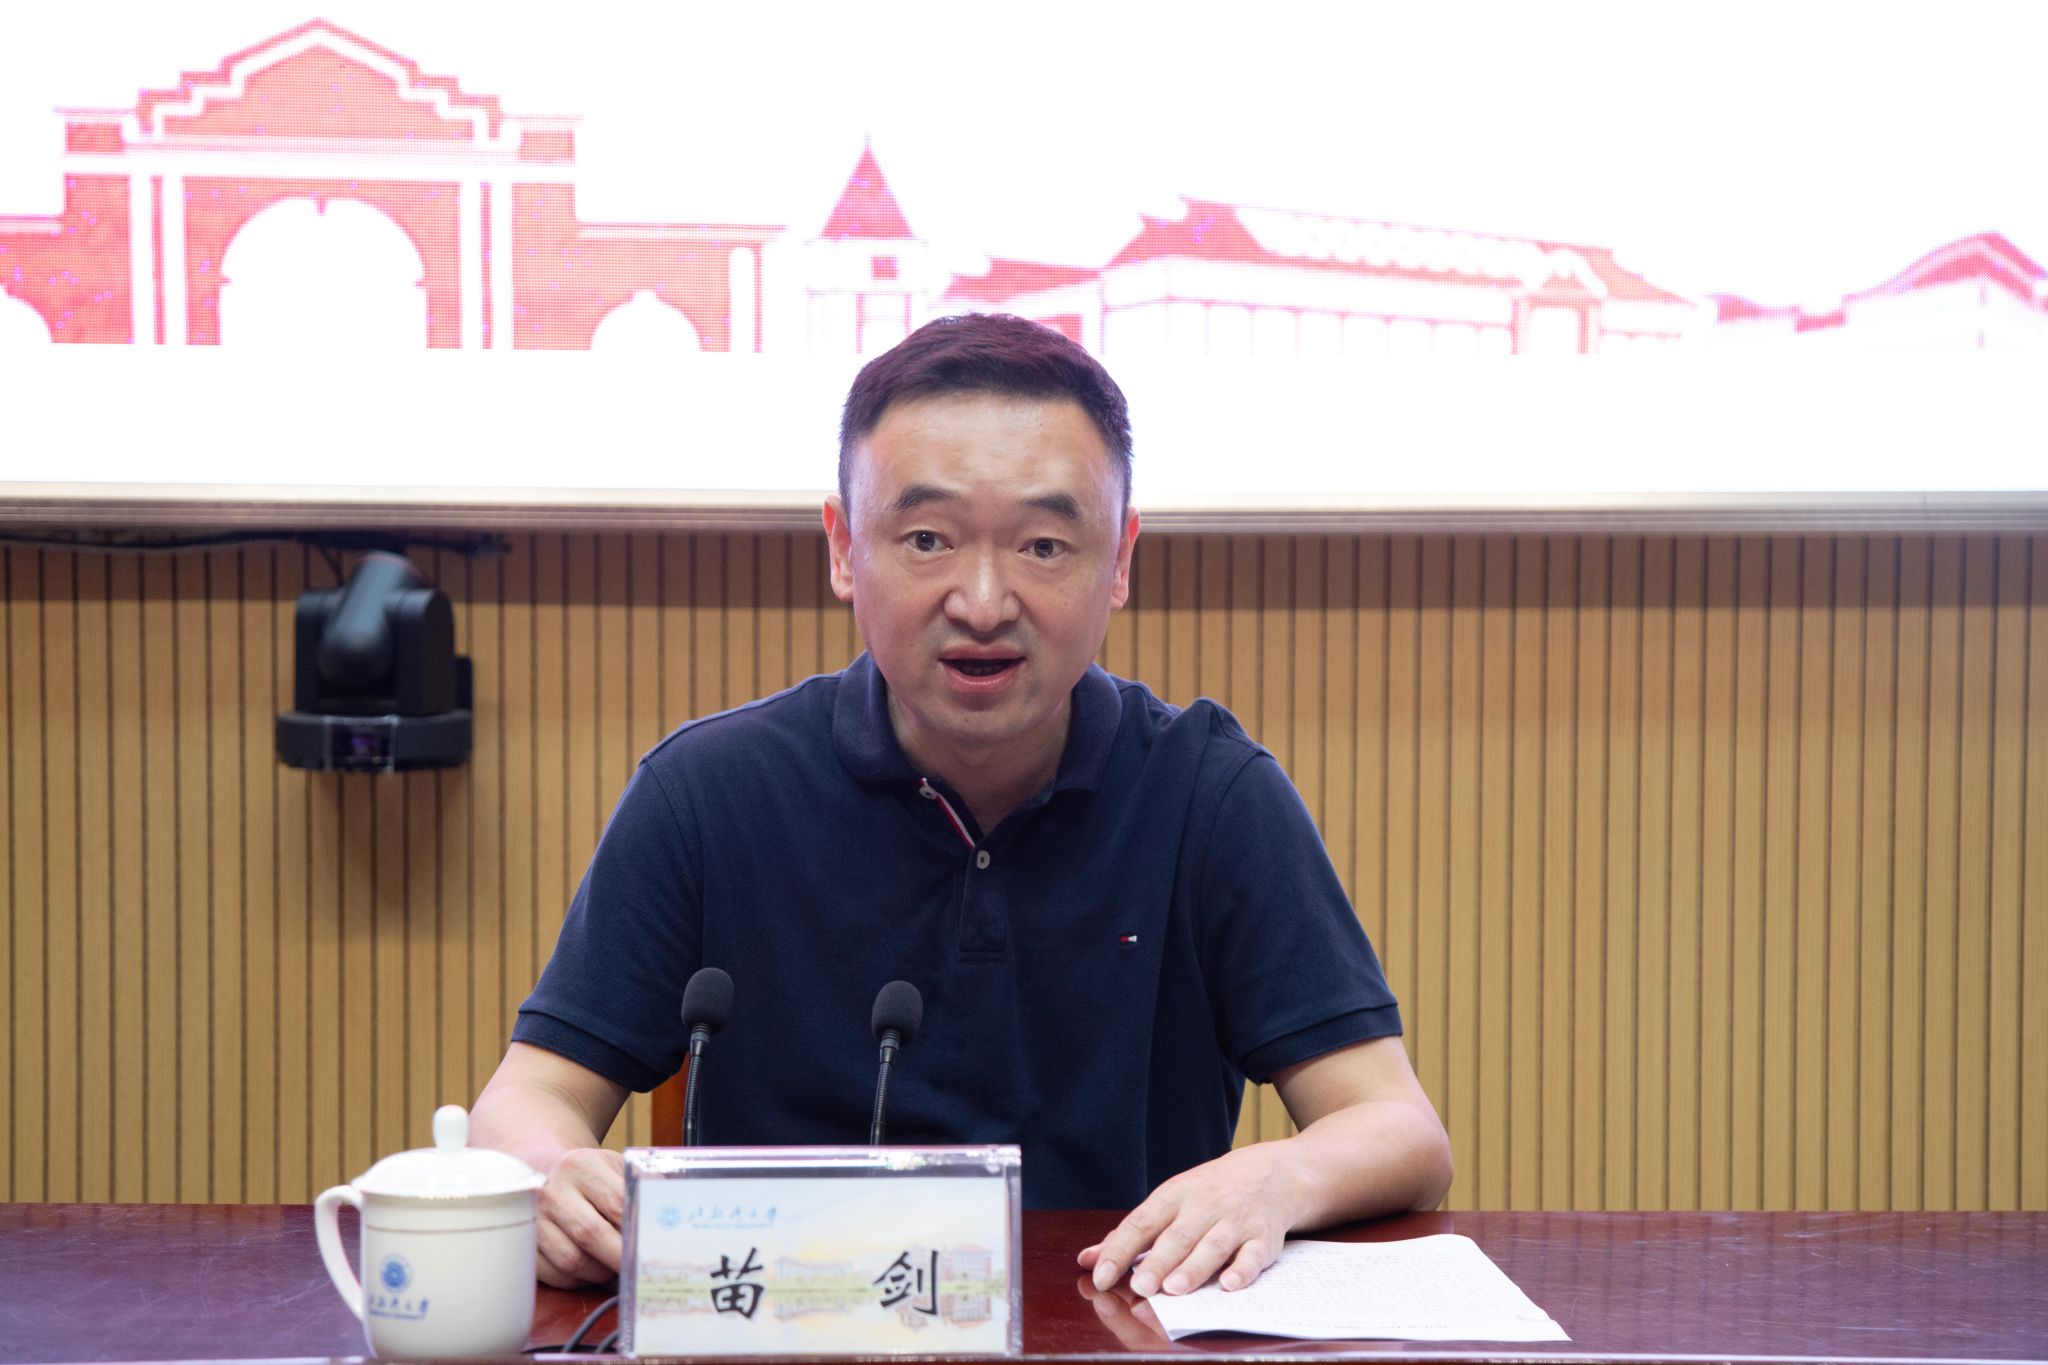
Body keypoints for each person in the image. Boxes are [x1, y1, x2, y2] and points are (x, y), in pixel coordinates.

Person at [470, 313, 1452, 1297]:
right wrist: (552, 1174)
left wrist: (1278, 1177)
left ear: (1119, 560)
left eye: (1043, 544)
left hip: (1112, 1332)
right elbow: (527, 1099)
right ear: (843, 548)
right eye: (927, 539)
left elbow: (1397, 1127)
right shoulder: (708, 791)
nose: (982, 602)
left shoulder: (1210, 795)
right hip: (790, 1331)